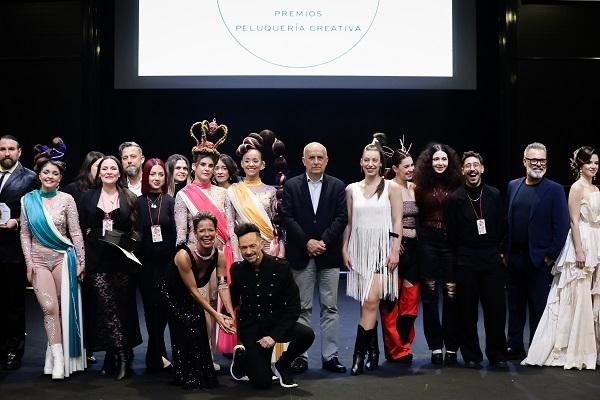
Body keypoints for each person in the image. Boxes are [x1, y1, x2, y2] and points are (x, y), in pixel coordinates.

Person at [522, 146, 600, 369]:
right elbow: (573, 220)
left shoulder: (594, 187)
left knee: (593, 295)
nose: (593, 166)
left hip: (596, 240)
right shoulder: (577, 187)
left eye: (595, 162)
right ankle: (573, 348)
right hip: (582, 241)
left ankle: (591, 348)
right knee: (578, 293)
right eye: (589, 163)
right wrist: (579, 249)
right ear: (580, 166)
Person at [19, 138, 86, 379]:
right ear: (39, 175)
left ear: (60, 177)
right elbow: (25, 234)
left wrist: (81, 261)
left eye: (54, 173)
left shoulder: (67, 199)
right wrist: (28, 263)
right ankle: (58, 359)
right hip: (38, 259)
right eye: (46, 172)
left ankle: (54, 355)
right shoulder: (27, 201)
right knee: (49, 308)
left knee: (62, 308)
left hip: (63, 258)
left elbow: (76, 232)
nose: (49, 176)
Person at [174, 119, 238, 365]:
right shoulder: (184, 195)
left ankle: (209, 354)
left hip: (219, 255)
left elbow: (230, 228)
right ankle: (199, 354)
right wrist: (180, 263)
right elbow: (181, 233)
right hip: (194, 257)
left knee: (214, 303)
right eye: (203, 165)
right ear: (194, 166)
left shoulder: (223, 193)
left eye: (212, 165)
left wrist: (236, 257)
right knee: (199, 305)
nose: (208, 169)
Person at [281, 142, 348, 374]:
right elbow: (287, 217)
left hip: (328, 256)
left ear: (327, 160)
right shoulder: (291, 186)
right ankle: (300, 355)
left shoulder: (338, 186)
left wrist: (323, 242)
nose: (316, 161)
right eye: (312, 157)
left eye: (320, 157)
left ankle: (330, 356)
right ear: (304, 160)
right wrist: (307, 242)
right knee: (302, 308)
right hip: (301, 254)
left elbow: (341, 217)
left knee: (330, 307)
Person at [342, 134, 403, 376]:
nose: (370, 164)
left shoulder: (392, 188)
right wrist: (344, 248)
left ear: (381, 163)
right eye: (366, 160)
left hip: (382, 251)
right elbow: (348, 222)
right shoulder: (351, 189)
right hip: (358, 251)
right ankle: (374, 352)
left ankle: (358, 356)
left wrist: (395, 250)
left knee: (370, 301)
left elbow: (398, 221)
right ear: (361, 162)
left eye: (374, 160)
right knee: (366, 305)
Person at [229, 223, 315, 389]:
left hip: (275, 324)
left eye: (252, 246)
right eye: (243, 248)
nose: (248, 252)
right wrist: (225, 317)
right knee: (262, 383)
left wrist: (274, 336)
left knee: (306, 334)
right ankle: (242, 359)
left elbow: (294, 307)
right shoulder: (237, 269)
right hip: (252, 327)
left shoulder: (281, 267)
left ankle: (283, 364)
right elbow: (232, 300)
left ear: (262, 244)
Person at [79, 155, 142, 380]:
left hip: (122, 261)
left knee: (122, 309)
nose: (108, 172)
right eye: (104, 168)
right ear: (99, 172)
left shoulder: (130, 196)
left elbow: (137, 230)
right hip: (97, 260)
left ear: (119, 172)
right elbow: (79, 228)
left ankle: (116, 356)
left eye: (113, 168)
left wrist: (125, 241)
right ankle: (121, 354)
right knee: (106, 308)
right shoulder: (87, 197)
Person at [505, 142, 569, 360]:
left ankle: (536, 349)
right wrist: (505, 252)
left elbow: (561, 227)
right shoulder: (513, 186)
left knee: (538, 308)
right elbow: (508, 221)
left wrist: (549, 257)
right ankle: (514, 346)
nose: (538, 164)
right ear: (525, 162)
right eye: (534, 160)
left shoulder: (555, 189)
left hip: (539, 260)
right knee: (514, 306)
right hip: (514, 258)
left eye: (542, 160)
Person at [158, 212, 235, 389]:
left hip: (189, 294)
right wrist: (216, 315)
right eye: (202, 231)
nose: (206, 234)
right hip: (171, 294)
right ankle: (185, 374)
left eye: (211, 230)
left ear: (216, 232)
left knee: (199, 325)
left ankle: (201, 373)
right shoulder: (184, 256)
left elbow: (223, 285)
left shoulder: (219, 256)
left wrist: (229, 313)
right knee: (188, 324)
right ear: (194, 233)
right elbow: (193, 291)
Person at [445, 151, 507, 369]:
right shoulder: (455, 199)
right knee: (466, 311)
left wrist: (500, 251)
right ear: (463, 170)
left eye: (476, 165)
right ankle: (471, 354)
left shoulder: (494, 195)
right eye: (468, 166)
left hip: (491, 259)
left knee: (496, 310)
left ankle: (497, 353)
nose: (472, 169)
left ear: (482, 168)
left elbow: (502, 225)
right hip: (466, 260)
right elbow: (451, 235)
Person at [413, 143, 462, 366]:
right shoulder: (420, 185)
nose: (440, 163)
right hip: (428, 242)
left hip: (452, 243)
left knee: (452, 295)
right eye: (435, 160)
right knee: (430, 296)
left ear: (449, 162)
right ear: (429, 163)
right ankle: (435, 347)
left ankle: (452, 346)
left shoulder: (457, 183)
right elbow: (417, 214)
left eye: (443, 159)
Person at [379, 140, 420, 364]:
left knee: (410, 303)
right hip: (395, 249)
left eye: (412, 165)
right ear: (395, 169)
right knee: (391, 302)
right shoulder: (387, 188)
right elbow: (380, 217)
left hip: (414, 250)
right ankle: (394, 349)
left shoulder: (414, 188)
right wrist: (393, 241)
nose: (411, 169)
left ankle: (405, 345)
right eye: (406, 166)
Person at [0, 134, 37, 370]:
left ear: (19, 152)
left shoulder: (30, 178)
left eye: (11, 149)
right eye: (2, 149)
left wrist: (15, 220)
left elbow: (34, 214)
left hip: (12, 250)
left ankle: (13, 350)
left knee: (12, 304)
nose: (6, 153)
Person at [137, 158, 176, 372]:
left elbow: (177, 233)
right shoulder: (138, 201)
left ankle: (157, 354)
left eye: (161, 174)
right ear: (146, 176)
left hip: (167, 265)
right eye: (152, 174)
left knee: (163, 310)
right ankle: (157, 354)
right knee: (150, 311)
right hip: (145, 266)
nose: (157, 178)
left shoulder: (170, 201)